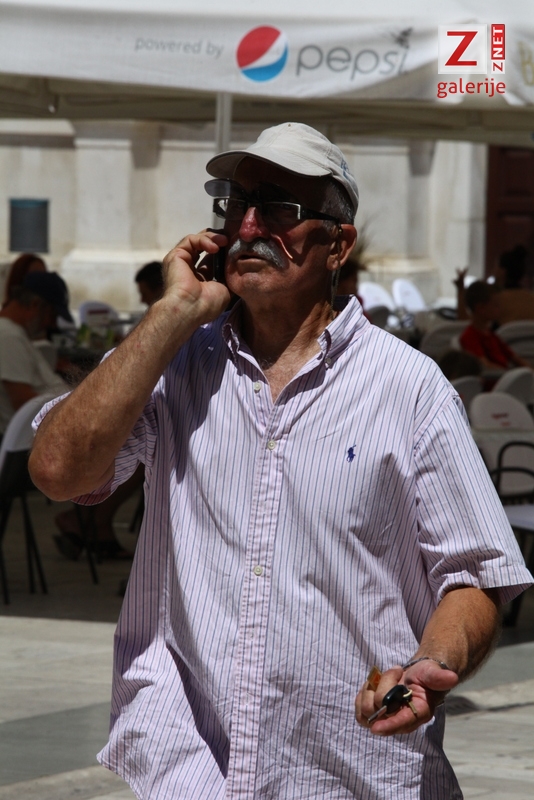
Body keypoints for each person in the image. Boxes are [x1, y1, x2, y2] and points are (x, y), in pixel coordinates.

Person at [29, 123, 532, 800]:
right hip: (191, 771)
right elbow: (59, 472)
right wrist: (171, 312)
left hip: (351, 772)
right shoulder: (176, 360)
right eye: (236, 205)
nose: (247, 226)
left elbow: (474, 575)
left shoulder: (410, 388)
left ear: (338, 245)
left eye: (278, 210)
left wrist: (432, 664)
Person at [0, 272, 69, 435]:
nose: (52, 324)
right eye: (52, 315)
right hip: (33, 438)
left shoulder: (14, 333)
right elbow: (22, 400)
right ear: (35, 305)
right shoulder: (8, 335)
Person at [459, 280, 531, 371]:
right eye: (495, 305)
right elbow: (484, 366)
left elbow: (515, 358)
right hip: (496, 378)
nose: (499, 309)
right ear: (480, 308)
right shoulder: (470, 336)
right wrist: (510, 374)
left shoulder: (490, 335)